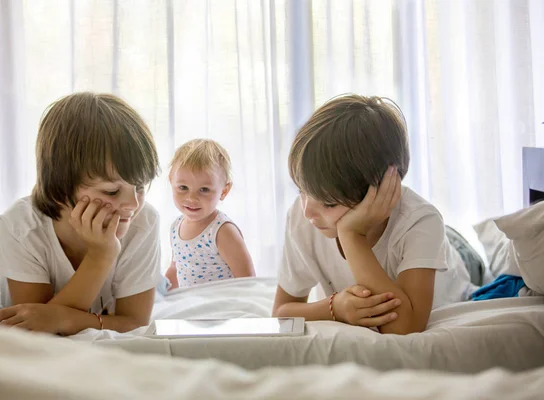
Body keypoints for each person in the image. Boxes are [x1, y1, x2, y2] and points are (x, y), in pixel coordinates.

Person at [272, 94, 476, 335]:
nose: (307, 211)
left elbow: (404, 328)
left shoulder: (421, 221)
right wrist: (334, 307)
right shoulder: (301, 216)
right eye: (301, 191)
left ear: (381, 190)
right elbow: (281, 312)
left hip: (457, 267)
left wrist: (351, 234)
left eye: (328, 203)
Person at [0, 92, 161, 335]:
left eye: (140, 187)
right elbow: (34, 331)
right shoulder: (20, 226)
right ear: (60, 187)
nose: (132, 204)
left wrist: (63, 317)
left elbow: (136, 322)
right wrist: (101, 255)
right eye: (111, 191)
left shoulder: (144, 221)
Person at [164, 139, 255, 289]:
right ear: (171, 182)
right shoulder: (175, 227)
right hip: (192, 305)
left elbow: (248, 281)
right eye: (183, 187)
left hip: (221, 307)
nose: (191, 198)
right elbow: (175, 268)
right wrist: (160, 293)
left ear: (224, 191)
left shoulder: (222, 231)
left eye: (204, 189)